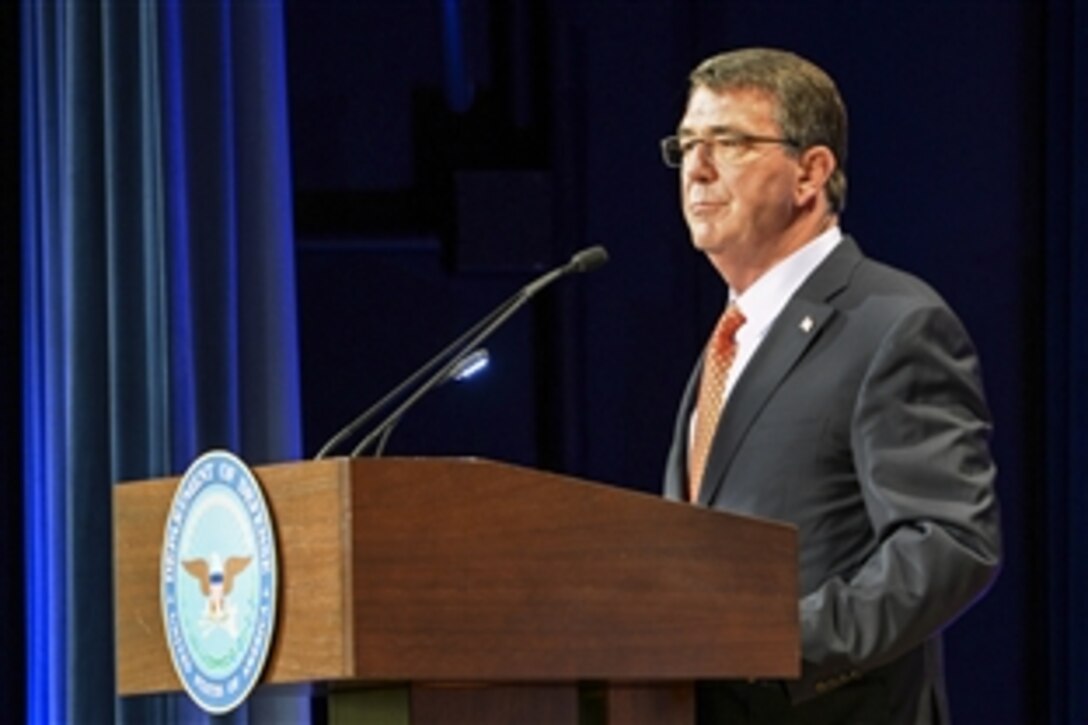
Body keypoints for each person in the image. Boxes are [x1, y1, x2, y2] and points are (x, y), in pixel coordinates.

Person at [661, 48, 1001, 724]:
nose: (697, 169)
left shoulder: (893, 324)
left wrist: (780, 643)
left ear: (811, 172)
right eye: (688, 144)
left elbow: (948, 543)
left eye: (728, 143)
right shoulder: (730, 339)